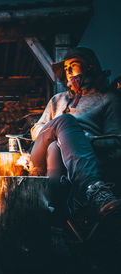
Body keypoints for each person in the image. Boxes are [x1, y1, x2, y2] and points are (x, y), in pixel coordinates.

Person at [30, 47, 121, 219]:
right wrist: (60, 130)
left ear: (90, 67)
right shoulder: (57, 99)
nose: (69, 71)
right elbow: (36, 129)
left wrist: (81, 140)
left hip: (78, 156)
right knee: (65, 122)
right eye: (65, 68)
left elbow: (116, 141)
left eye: (74, 65)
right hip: (38, 156)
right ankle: (95, 190)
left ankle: (57, 216)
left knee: (55, 148)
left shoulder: (107, 99)